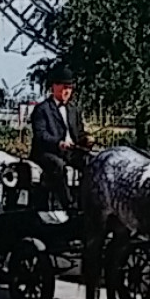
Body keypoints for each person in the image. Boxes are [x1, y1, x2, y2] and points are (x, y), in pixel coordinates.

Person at [29, 64, 90, 211]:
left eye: (69, 88)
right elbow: (41, 135)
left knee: (91, 163)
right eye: (63, 87)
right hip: (47, 153)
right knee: (58, 166)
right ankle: (68, 204)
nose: (66, 91)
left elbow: (79, 132)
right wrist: (59, 143)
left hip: (70, 152)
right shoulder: (42, 109)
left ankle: (86, 203)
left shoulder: (73, 109)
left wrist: (87, 139)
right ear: (54, 87)